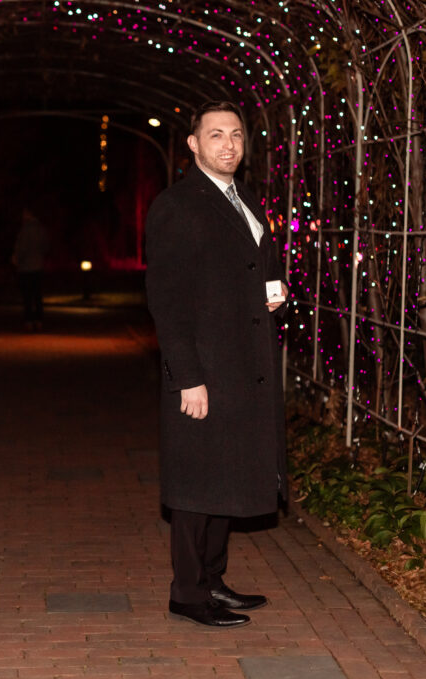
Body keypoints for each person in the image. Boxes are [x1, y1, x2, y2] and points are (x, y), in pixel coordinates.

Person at [144, 101, 288, 628]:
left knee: (226, 475)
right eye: (216, 135)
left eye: (236, 135)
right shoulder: (176, 206)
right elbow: (166, 298)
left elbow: (254, 265)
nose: (228, 144)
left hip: (243, 363)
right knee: (195, 483)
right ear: (193, 144)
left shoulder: (244, 198)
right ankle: (187, 591)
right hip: (204, 367)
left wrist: (274, 291)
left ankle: (213, 579)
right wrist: (188, 377)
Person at [11, 208, 49, 331]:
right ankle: (39, 320)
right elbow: (45, 246)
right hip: (38, 266)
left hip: (26, 268)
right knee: (37, 296)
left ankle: (29, 320)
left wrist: (17, 258)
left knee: (28, 296)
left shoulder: (25, 230)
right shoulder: (41, 229)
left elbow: (22, 248)